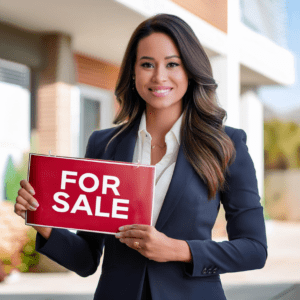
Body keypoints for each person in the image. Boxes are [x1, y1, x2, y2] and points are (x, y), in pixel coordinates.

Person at [14, 14, 267, 300]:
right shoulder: (104, 145)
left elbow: (254, 249)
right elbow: (86, 260)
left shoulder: (226, 144)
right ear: (133, 73)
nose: (159, 76)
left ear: (190, 71)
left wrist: (177, 249)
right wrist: (44, 224)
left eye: (173, 64)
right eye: (147, 64)